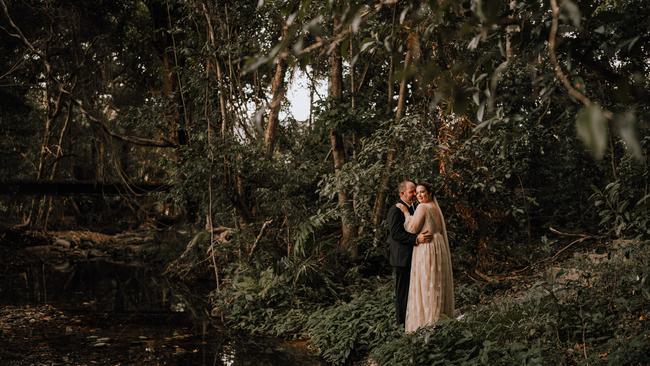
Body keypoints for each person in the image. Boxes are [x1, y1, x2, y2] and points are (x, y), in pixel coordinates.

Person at [396, 182, 454, 333]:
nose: (419, 195)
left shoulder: (422, 207)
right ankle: (439, 315)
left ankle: (428, 320)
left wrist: (406, 213)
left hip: (427, 248)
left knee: (427, 281)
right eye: (417, 193)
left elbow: (412, 228)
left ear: (429, 193)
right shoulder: (435, 207)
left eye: (422, 192)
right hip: (438, 244)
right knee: (437, 280)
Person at [387, 181, 432, 326]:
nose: (414, 194)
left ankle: (413, 319)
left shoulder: (415, 207)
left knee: (413, 291)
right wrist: (416, 239)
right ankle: (402, 323)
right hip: (402, 258)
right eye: (411, 191)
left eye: (415, 191)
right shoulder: (395, 210)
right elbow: (396, 234)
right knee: (403, 292)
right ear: (402, 194)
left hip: (414, 256)